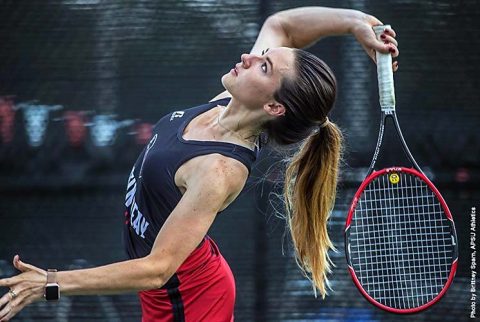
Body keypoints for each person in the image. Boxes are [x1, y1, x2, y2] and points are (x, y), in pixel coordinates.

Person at [0, 6, 398, 322]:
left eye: (264, 66)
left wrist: (49, 284)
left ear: (274, 106)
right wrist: (357, 22)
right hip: (165, 296)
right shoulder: (223, 106)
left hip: (190, 303)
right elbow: (282, 25)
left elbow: (157, 269)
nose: (248, 56)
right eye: (262, 56)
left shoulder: (219, 170)